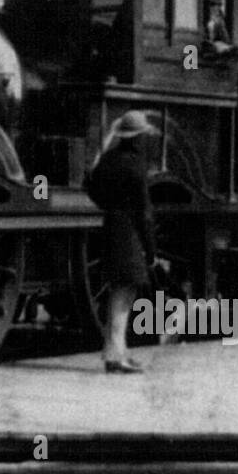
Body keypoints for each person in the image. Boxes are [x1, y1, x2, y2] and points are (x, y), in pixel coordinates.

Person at [84, 110, 161, 374]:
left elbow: (91, 187)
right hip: (128, 231)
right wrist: (151, 249)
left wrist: (108, 206)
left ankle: (118, 351)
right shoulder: (136, 166)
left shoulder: (108, 159)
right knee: (123, 294)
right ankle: (115, 356)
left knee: (120, 291)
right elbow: (145, 212)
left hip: (110, 226)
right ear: (139, 138)